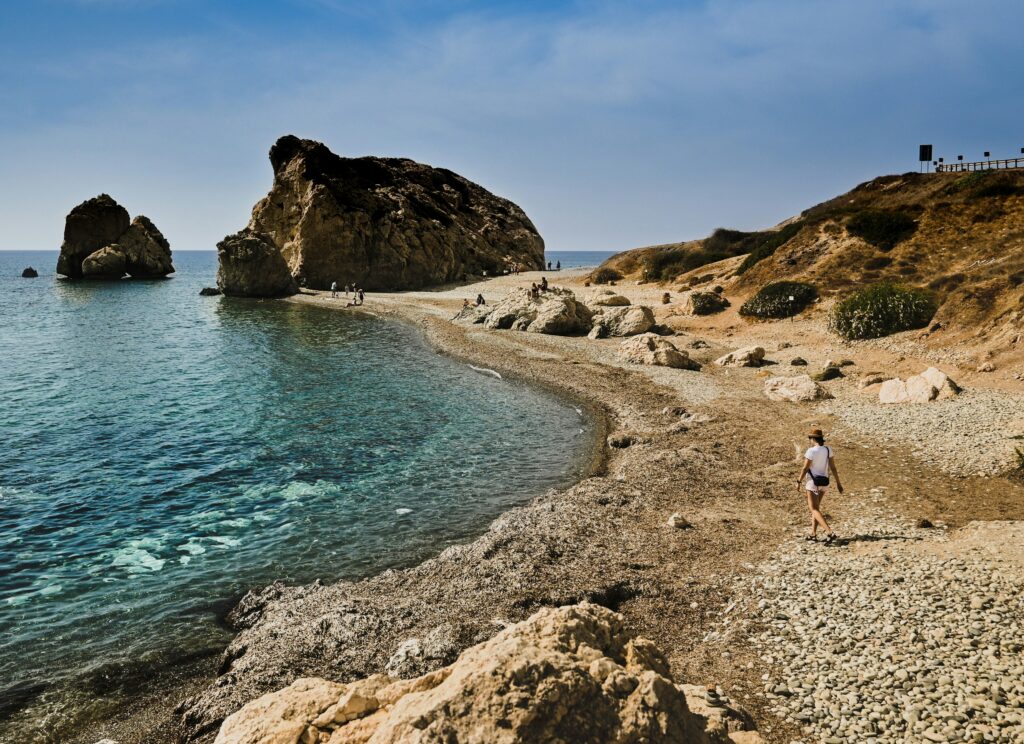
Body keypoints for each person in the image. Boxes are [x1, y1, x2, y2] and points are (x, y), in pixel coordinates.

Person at [797, 428, 843, 542]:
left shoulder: (811, 451)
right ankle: (813, 533)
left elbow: (805, 468)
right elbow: (833, 467)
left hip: (813, 483)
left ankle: (829, 532)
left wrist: (798, 481)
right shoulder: (828, 449)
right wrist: (838, 483)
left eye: (810, 438)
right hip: (824, 483)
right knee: (816, 509)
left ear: (813, 439)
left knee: (813, 509)